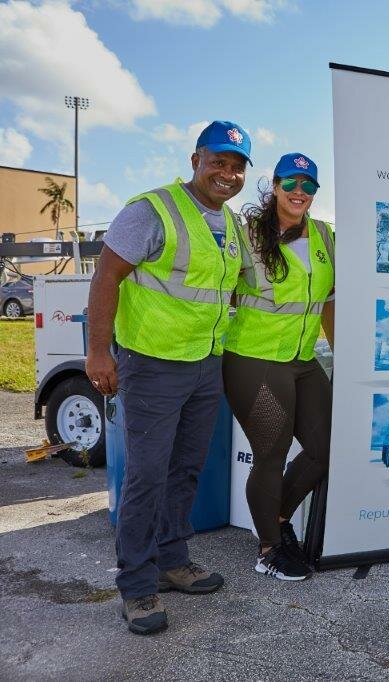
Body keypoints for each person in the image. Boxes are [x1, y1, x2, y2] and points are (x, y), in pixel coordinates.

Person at [85, 121, 251, 634]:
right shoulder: (151, 210)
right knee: (147, 476)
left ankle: (173, 560)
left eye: (237, 166)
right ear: (195, 160)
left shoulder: (231, 224)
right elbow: (106, 277)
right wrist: (98, 353)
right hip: (152, 364)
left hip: (204, 363)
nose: (227, 174)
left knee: (185, 470)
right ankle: (137, 586)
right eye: (218, 161)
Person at [222, 153, 335, 582]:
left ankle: (276, 519)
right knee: (271, 453)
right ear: (274, 186)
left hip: (302, 360)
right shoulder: (247, 233)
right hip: (254, 358)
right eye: (291, 183)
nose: (299, 192)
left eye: (308, 185)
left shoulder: (325, 235)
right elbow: (222, 291)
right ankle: (269, 549)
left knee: (326, 448)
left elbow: (329, 302)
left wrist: (340, 354)